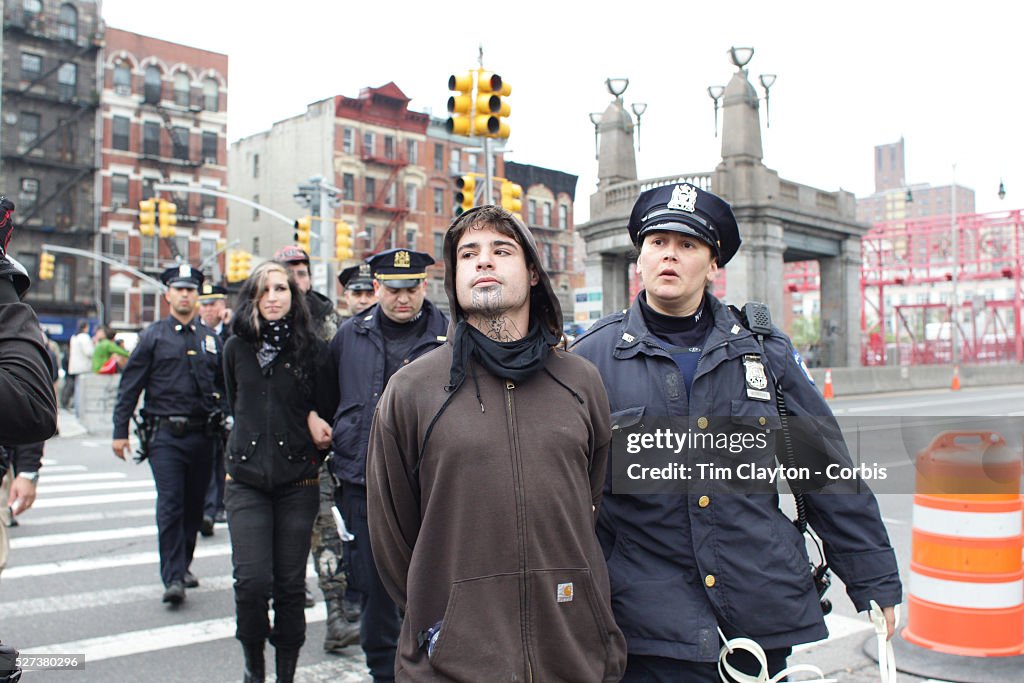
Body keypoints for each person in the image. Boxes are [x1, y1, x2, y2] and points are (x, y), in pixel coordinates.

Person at [571, 183, 902, 681]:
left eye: (688, 246)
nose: (670, 256)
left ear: (713, 264)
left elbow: (823, 470)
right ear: (639, 257)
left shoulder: (763, 353)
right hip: (643, 621)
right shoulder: (589, 362)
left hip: (755, 612)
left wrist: (873, 580)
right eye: (658, 243)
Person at [366, 206, 627, 682]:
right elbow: (392, 534)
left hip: (571, 656)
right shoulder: (413, 389)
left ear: (531, 272)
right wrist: (447, 617)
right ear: (455, 277)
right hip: (453, 665)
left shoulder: (581, 381)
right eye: (469, 254)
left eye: (500, 250)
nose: (483, 261)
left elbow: (591, 500)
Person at [329, 248, 448, 682]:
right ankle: (383, 673)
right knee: (375, 593)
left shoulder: (449, 334)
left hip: (432, 486)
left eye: (412, 288)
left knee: (437, 586)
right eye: (394, 289)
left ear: (424, 287)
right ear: (376, 287)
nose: (404, 298)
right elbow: (329, 397)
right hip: (363, 484)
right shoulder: (349, 335)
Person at [223, 261, 339, 683]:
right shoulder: (235, 347)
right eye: (264, 289)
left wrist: (310, 414)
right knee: (251, 583)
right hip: (246, 482)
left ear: (294, 297)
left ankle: (285, 675)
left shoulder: (312, 348)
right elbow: (236, 400)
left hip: (298, 481)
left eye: (281, 289)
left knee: (290, 587)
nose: (273, 297)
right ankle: (254, 667)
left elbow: (326, 405)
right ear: (252, 297)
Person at [111, 264, 228, 606]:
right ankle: (172, 576)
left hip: (204, 436)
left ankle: (184, 564)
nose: (185, 294)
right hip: (165, 436)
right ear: (168, 295)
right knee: (172, 503)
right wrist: (120, 432)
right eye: (179, 289)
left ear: (197, 295)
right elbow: (130, 386)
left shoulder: (210, 339)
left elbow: (224, 386)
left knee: (194, 506)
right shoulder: (153, 336)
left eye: (191, 289)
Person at [274, 243, 361, 651]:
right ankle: (315, 611)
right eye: (287, 271)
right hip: (279, 450)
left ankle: (340, 615)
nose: (296, 277)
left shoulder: (327, 317)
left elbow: (339, 374)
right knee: (300, 538)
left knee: (331, 530)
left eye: (302, 270)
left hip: (325, 446)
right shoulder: (264, 325)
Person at [198, 281, 231, 536]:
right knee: (209, 463)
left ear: (223, 306)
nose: (209, 310)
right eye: (205, 305)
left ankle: (219, 504)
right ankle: (208, 510)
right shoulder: (194, 334)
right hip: (206, 411)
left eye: (213, 304)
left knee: (226, 462)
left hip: (231, 409)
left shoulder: (234, 332)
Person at [65, 321, 94, 414]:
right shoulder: (84, 337)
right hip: (83, 367)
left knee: (77, 388)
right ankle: (79, 410)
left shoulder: (74, 337)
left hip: (75, 367)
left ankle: (76, 408)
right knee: (81, 390)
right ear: (85, 327)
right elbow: (89, 352)